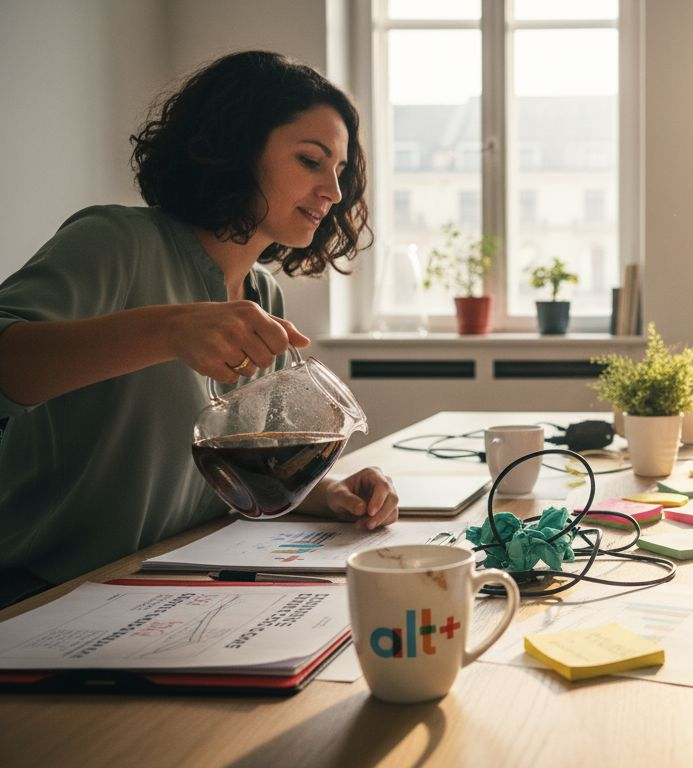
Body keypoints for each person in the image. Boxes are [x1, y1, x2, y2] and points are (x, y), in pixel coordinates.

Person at [0, 51, 400, 607]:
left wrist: (328, 494)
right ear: (234, 148)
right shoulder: (116, 242)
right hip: (45, 595)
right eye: (311, 161)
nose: (333, 192)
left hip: (169, 582)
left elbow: (247, 472)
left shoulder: (262, 295)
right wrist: (167, 329)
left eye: (340, 172)